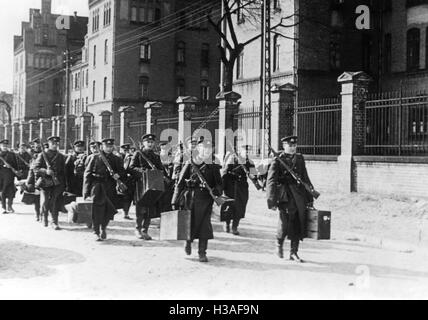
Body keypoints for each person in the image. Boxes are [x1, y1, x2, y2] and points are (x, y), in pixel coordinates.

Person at [171, 139, 223, 263]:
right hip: (190, 198)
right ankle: (187, 242)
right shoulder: (190, 163)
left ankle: (202, 252)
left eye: (209, 149)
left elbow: (220, 184)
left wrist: (216, 191)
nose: (206, 151)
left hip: (206, 200)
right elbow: (180, 183)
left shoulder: (213, 165)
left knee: (204, 226)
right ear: (198, 150)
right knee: (189, 223)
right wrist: (174, 200)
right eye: (203, 149)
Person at [266, 135, 314, 263]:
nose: (292, 148)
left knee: (298, 222)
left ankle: (294, 252)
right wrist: (271, 200)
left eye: (294, 145)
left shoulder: (299, 159)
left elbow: (305, 177)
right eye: (289, 145)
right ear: (284, 146)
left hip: (299, 196)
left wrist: (310, 195)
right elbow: (271, 180)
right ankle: (279, 243)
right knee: (285, 222)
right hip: (285, 196)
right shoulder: (277, 160)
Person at [83, 138, 124, 241]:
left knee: (108, 210)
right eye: (107, 146)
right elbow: (87, 175)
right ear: (102, 146)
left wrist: (118, 175)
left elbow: (122, 171)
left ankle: (103, 227)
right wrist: (86, 192)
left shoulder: (117, 159)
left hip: (109, 186)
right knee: (96, 210)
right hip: (97, 186)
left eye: (111, 146)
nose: (109, 149)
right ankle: (96, 231)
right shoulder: (94, 157)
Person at [129, 134, 166, 241]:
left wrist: (157, 172)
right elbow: (131, 168)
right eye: (148, 142)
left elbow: (161, 170)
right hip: (141, 184)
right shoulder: (138, 154)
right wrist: (144, 172)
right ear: (143, 143)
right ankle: (138, 229)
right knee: (140, 208)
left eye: (152, 142)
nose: (150, 144)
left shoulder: (156, 156)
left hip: (153, 184)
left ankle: (145, 230)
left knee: (150, 208)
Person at [221, 145, 257, 235]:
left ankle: (235, 226)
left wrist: (254, 176)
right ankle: (227, 223)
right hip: (230, 186)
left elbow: (254, 175)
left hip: (242, 187)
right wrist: (222, 186)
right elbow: (225, 172)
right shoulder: (233, 159)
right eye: (246, 151)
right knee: (229, 205)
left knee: (240, 207)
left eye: (249, 151)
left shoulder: (250, 162)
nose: (247, 153)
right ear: (241, 151)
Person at [33, 136, 66, 229]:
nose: (55, 145)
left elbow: (63, 171)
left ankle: (54, 221)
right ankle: (44, 218)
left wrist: (64, 185)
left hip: (57, 182)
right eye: (53, 144)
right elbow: (35, 168)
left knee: (55, 201)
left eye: (57, 144)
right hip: (45, 181)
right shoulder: (43, 155)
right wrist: (45, 171)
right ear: (49, 144)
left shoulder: (61, 156)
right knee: (45, 201)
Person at [0, 140, 20, 214]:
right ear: (0, 146)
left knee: (11, 191)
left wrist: (17, 175)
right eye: (3, 146)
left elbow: (16, 164)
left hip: (10, 175)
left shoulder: (12, 154)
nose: (4, 147)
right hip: (1, 175)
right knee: (2, 191)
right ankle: (3, 207)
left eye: (6, 146)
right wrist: (3, 165)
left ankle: (10, 206)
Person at [121, 144, 134, 220]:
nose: (126, 152)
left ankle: (125, 213)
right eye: (124, 150)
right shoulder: (118, 157)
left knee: (127, 197)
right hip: (119, 179)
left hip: (128, 180)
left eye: (127, 150)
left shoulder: (130, 157)